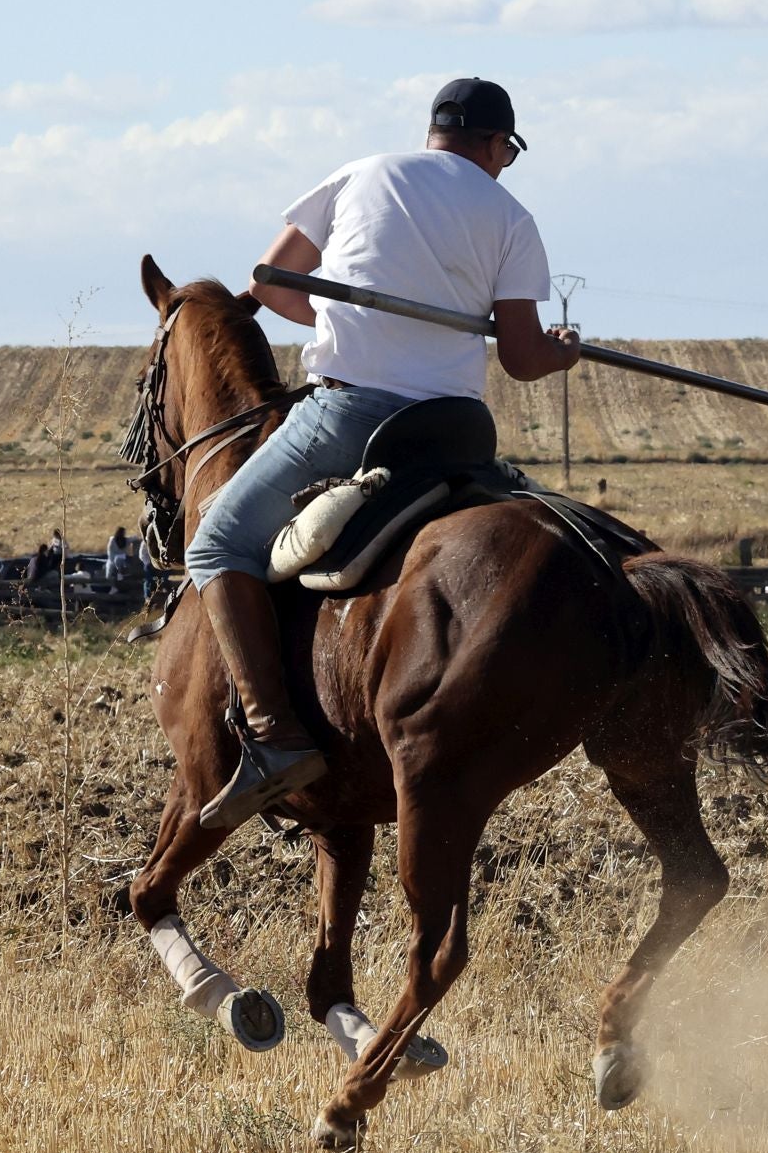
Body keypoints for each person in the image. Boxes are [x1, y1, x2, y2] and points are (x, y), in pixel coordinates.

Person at [182, 76, 581, 832]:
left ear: (434, 132)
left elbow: (268, 281)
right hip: (456, 425)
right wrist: (563, 352)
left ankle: (272, 738)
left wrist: (337, 312)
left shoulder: (361, 173)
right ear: (499, 144)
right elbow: (523, 358)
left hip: (351, 411)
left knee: (216, 544)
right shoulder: (510, 214)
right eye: (507, 152)